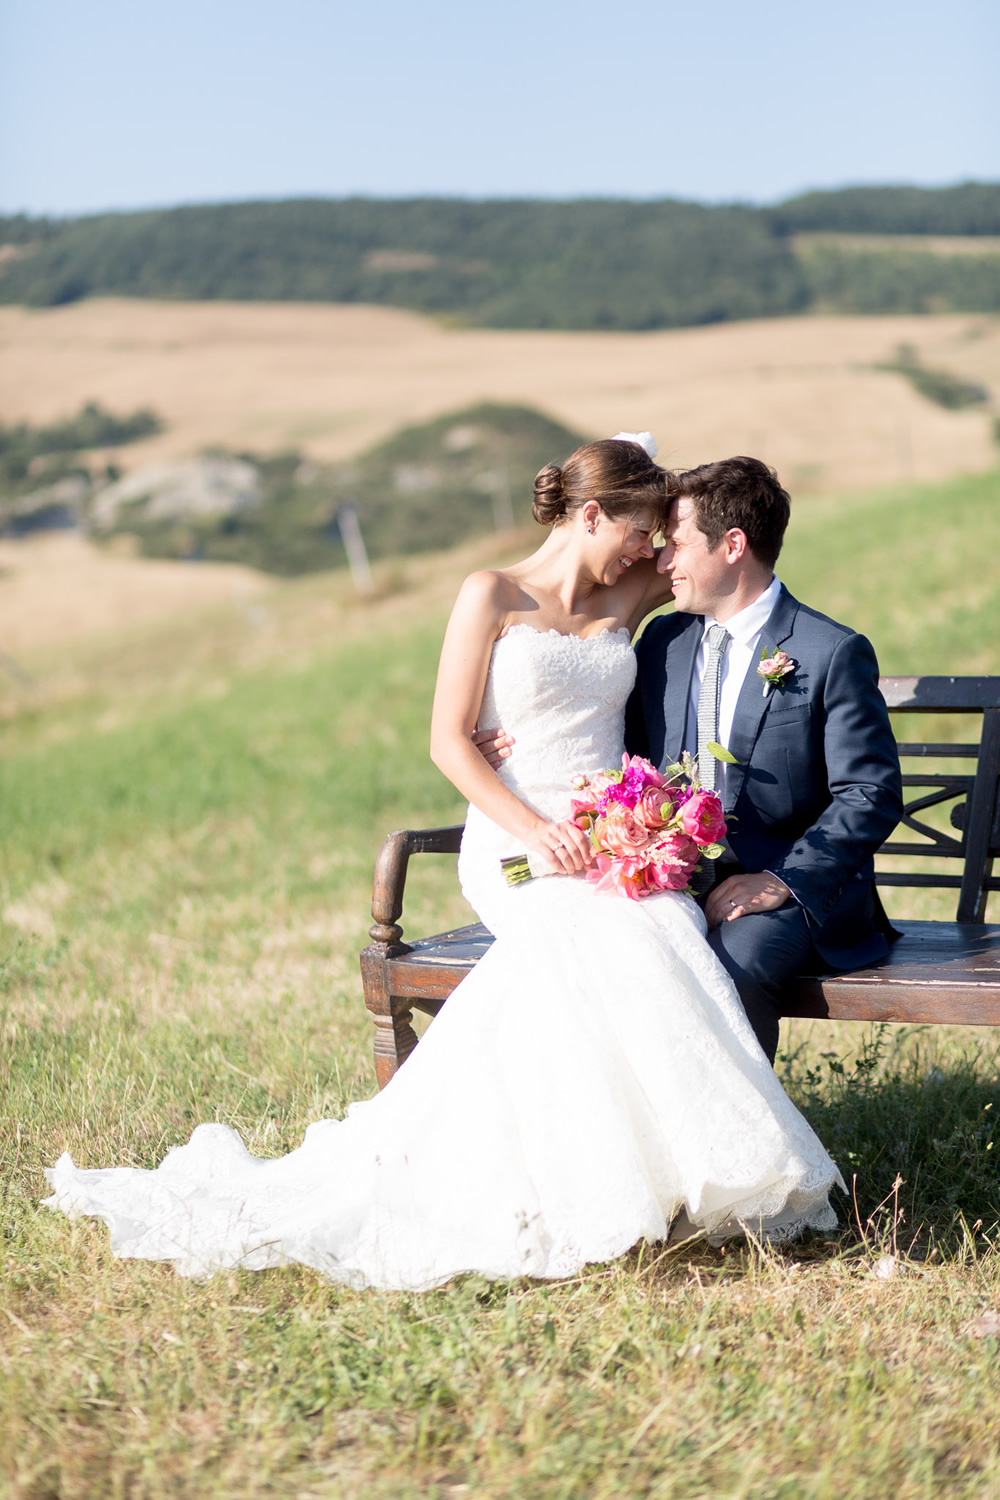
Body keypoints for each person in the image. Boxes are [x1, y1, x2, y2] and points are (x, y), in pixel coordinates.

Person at [44, 438, 843, 1290]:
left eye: (655, 538)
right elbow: (446, 741)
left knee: (658, 921)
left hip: (608, 839)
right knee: (596, 935)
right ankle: (559, 1183)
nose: (648, 550)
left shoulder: (632, 590)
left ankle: (679, 1183)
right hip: (512, 841)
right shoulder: (490, 594)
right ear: (590, 516)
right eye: (636, 530)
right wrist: (533, 829)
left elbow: (715, 572)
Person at [625, 457, 904, 1063]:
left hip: (797, 893)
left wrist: (780, 880)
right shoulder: (661, 643)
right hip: (671, 881)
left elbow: (870, 793)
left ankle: (738, 1140)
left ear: (733, 545)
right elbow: (625, 759)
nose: (664, 562)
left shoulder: (829, 651)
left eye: (676, 545)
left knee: (733, 961)